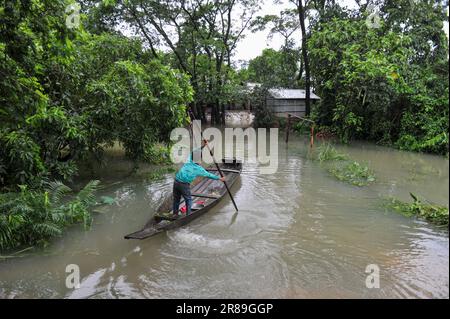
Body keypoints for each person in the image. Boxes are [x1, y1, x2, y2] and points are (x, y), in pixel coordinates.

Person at [172, 140, 225, 217]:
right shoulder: (199, 169)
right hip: (184, 184)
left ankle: (175, 214)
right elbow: (209, 175)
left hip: (176, 181)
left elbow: (195, 151)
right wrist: (220, 178)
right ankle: (188, 216)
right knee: (189, 199)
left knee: (176, 199)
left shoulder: (189, 160)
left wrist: (204, 145)